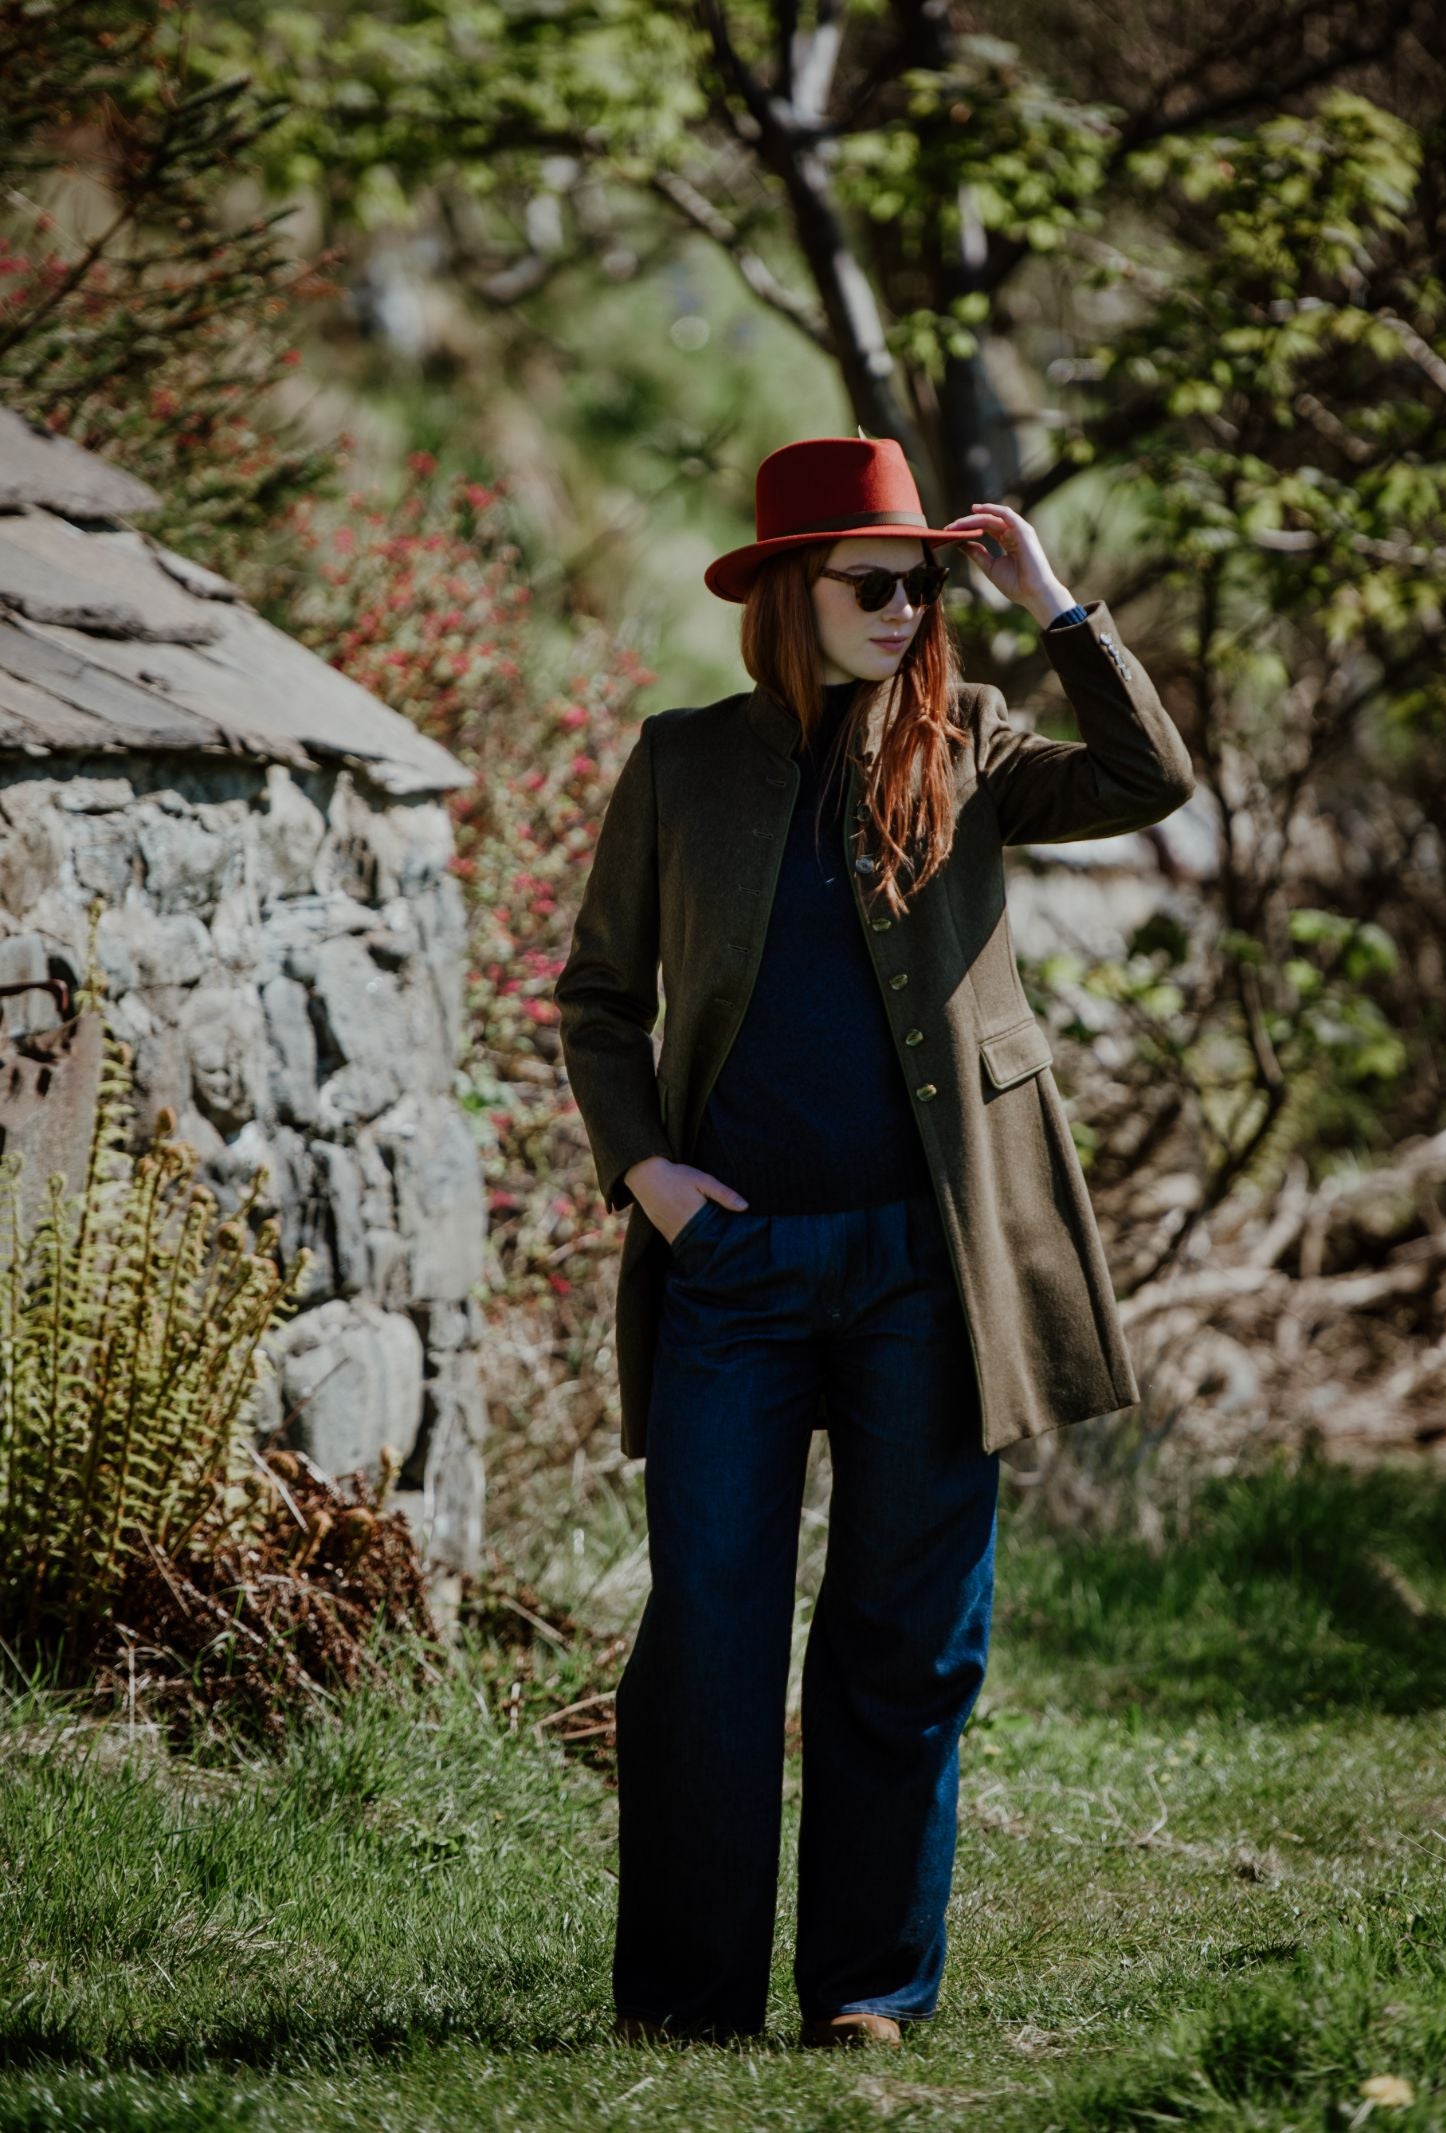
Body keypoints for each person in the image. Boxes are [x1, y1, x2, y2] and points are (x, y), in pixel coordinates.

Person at [552, 433, 1195, 2052]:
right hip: (735, 1271)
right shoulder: (681, 764)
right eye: (874, 584)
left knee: (907, 1632)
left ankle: (868, 1988)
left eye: (921, 584)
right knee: (709, 1633)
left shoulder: (971, 742)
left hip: (930, 1266)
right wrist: (651, 1177)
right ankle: (687, 2001)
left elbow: (1151, 780)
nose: (906, 608)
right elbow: (599, 999)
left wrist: (1052, 603)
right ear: (791, 591)